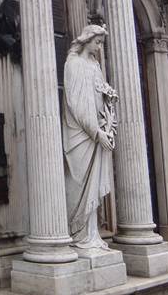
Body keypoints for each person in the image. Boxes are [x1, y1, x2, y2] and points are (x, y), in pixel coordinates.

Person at [63, 24, 118, 249]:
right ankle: (78, 234)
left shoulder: (95, 65)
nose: (99, 47)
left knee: (94, 187)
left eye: (101, 44)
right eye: (97, 42)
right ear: (86, 40)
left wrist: (109, 98)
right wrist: (96, 132)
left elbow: (99, 94)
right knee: (79, 184)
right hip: (81, 134)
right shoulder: (73, 64)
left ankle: (92, 236)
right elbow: (76, 104)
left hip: (98, 131)